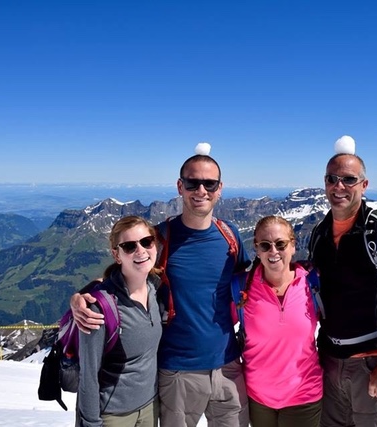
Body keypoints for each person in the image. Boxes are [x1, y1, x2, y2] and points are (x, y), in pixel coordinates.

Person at [71, 144, 251, 427]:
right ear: (180, 186)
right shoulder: (158, 238)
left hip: (228, 366)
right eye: (193, 182)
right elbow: (126, 271)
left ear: (220, 188)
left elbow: (252, 279)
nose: (201, 190)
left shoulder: (230, 236)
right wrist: (81, 296)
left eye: (209, 183)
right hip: (177, 371)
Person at [307, 137, 377, 427]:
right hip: (331, 363)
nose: (339, 186)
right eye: (332, 179)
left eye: (349, 179)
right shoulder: (320, 233)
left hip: (372, 365)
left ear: (364, 185)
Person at [76, 215, 162, 427]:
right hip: (113, 416)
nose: (141, 250)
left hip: (151, 407)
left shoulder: (155, 288)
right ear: (117, 255)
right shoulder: (99, 307)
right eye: (129, 246)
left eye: (146, 242)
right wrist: (91, 423)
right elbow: (88, 375)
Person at [240, 215, 323, 427]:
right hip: (258, 398)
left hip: (304, 394)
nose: (273, 251)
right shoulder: (242, 289)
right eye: (265, 245)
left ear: (293, 246)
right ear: (257, 250)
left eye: (280, 244)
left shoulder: (312, 285)